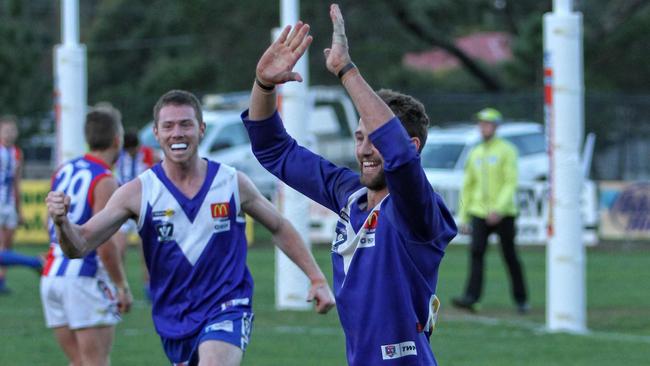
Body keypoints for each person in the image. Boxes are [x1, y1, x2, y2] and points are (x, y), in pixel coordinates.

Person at [46, 89, 335, 366]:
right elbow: (80, 244)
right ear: (156, 134)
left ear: (201, 129)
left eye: (186, 124)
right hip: (174, 320)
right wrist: (62, 222)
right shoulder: (138, 192)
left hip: (228, 307)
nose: (177, 133)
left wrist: (316, 278)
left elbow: (279, 226)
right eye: (168, 126)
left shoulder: (232, 182)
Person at [243, 5, 457, 365]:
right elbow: (272, 148)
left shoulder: (419, 209)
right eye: (358, 138)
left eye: (374, 139)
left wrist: (345, 70)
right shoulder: (349, 194)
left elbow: (401, 158)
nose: (364, 150)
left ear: (413, 145)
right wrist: (263, 83)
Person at [40, 105, 133, 366]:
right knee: (95, 362)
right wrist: (122, 286)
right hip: (83, 277)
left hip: (52, 276)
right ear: (117, 139)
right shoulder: (104, 179)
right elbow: (105, 244)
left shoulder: (64, 170)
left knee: (79, 362)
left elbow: (55, 222)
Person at [451, 107, 529, 314]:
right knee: (476, 254)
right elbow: (468, 186)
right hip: (479, 212)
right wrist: (464, 216)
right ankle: (471, 299)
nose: (483, 127)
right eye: (481, 123)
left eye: (487, 124)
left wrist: (499, 209)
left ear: (495, 126)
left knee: (510, 255)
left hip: (504, 214)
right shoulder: (475, 152)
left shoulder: (506, 150)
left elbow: (510, 182)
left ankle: (521, 299)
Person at [114, 129, 160, 298]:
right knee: (119, 248)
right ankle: (118, 285)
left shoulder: (150, 154)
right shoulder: (118, 156)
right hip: (124, 205)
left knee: (146, 249)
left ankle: (148, 286)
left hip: (144, 205)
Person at [0, 116, 25, 293]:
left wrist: (19, 209)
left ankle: (2, 280)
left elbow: (17, 182)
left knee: (8, 245)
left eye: (12, 131)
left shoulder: (17, 153)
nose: (9, 134)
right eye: (6, 130)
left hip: (9, 204)